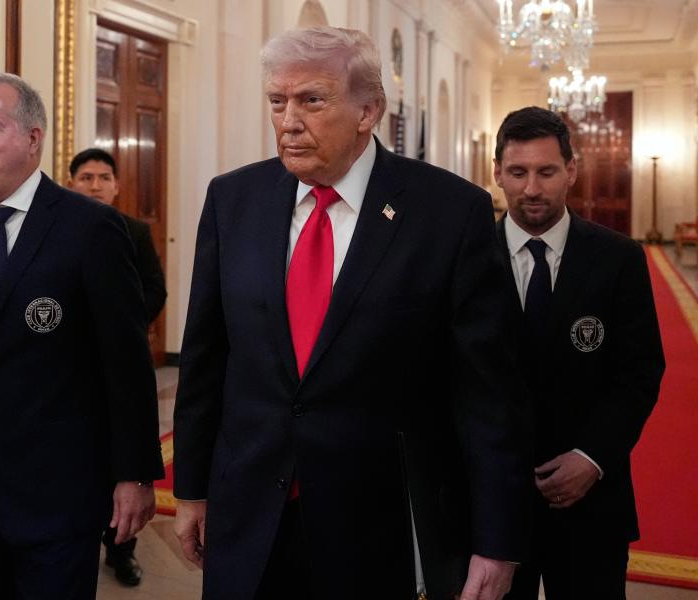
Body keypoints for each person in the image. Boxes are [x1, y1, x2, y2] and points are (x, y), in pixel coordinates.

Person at [173, 26, 532, 600]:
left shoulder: (448, 212)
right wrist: (191, 489)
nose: (288, 121)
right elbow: (206, 357)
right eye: (277, 101)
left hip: (380, 523)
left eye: (311, 100)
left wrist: (496, 539)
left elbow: (488, 394)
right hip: (250, 509)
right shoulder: (232, 200)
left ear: (368, 111)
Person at [0, 72, 164, 599]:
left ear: (33, 138)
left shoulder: (91, 229)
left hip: (60, 495)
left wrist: (134, 474)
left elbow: (126, 363)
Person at [493, 106, 665, 600]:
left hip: (591, 502)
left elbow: (639, 372)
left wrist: (592, 457)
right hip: (492, 504)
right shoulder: (467, 257)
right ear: (497, 172)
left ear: (571, 170)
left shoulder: (618, 258)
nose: (532, 188)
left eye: (546, 172)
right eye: (518, 172)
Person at [68, 147, 167, 586]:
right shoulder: (58, 229)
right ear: (71, 183)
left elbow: (154, 288)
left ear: (117, 185)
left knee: (121, 452)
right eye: (86, 177)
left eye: (103, 178)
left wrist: (120, 326)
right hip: (72, 365)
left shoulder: (134, 231)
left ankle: (121, 549)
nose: (95, 185)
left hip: (120, 364)